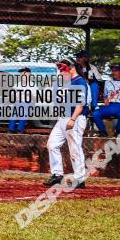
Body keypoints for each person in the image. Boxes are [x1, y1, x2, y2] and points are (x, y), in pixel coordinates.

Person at [44, 59, 91, 188]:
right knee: (52, 145)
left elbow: (80, 104)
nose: (61, 72)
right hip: (63, 118)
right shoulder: (66, 82)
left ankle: (80, 179)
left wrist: (73, 119)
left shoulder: (80, 81)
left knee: (74, 148)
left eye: (63, 69)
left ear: (72, 68)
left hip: (75, 118)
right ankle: (57, 175)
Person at [91, 63, 120, 137]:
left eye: (116, 70)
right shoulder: (107, 82)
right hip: (109, 105)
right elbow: (105, 94)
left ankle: (117, 132)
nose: (113, 72)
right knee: (96, 113)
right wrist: (105, 99)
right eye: (113, 70)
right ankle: (103, 132)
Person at [8, 67, 32, 134]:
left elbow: (35, 96)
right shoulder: (17, 84)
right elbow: (12, 93)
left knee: (24, 115)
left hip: (27, 102)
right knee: (13, 115)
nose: (22, 75)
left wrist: (25, 93)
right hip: (17, 102)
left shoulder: (32, 85)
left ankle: (20, 130)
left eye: (24, 73)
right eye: (21, 74)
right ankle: (11, 130)